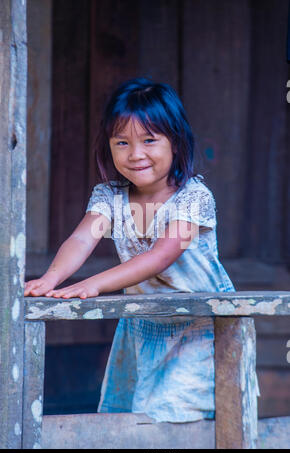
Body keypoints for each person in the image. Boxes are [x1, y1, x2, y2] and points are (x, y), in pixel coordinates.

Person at [24, 77, 260, 423]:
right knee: (134, 420)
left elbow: (161, 256)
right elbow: (81, 239)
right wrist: (51, 277)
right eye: (122, 142)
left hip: (198, 327)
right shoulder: (110, 196)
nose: (135, 154)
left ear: (176, 143)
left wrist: (95, 283)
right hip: (143, 327)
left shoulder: (193, 197)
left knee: (176, 419)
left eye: (149, 140)